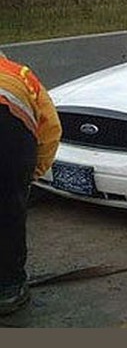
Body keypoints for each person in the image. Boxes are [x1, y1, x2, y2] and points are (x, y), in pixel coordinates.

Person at [0, 51, 61, 316]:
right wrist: (31, 174)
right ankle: (9, 290)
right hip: (9, 142)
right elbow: (50, 130)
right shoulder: (19, 75)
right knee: (8, 213)